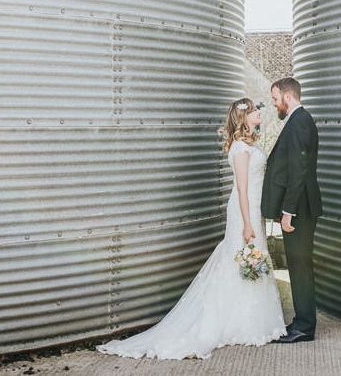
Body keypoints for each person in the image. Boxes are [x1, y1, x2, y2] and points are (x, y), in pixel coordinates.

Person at [97, 98, 286, 360]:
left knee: (248, 260)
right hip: (245, 210)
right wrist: (246, 223)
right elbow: (241, 189)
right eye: (253, 111)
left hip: (253, 208)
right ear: (243, 118)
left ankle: (250, 318)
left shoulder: (249, 144)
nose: (258, 113)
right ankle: (234, 322)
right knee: (241, 260)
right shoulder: (241, 148)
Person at [261, 77, 322, 343]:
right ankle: (302, 321)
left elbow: (299, 171)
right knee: (299, 265)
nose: (275, 104)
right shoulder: (299, 121)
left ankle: (304, 327)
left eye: (275, 99)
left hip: (299, 209)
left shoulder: (299, 122)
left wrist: (289, 211)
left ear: (287, 96)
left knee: (299, 266)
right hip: (301, 207)